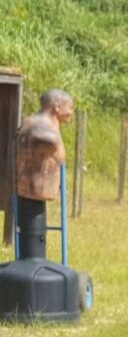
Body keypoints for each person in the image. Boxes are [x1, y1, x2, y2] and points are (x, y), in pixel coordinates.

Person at [15, 89, 74, 260]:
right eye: (70, 108)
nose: (71, 112)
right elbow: (55, 149)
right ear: (57, 107)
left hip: (29, 189)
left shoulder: (27, 122)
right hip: (36, 189)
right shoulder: (45, 130)